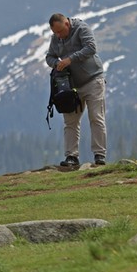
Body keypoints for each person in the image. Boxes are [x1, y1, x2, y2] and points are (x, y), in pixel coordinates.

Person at [45, 13, 107, 168]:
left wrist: (69, 59)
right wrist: (56, 64)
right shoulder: (56, 38)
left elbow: (91, 48)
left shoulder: (81, 28)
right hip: (72, 86)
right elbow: (49, 57)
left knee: (96, 117)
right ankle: (71, 156)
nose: (58, 35)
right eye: (55, 33)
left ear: (66, 23)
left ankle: (99, 155)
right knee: (70, 122)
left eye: (60, 31)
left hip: (93, 79)